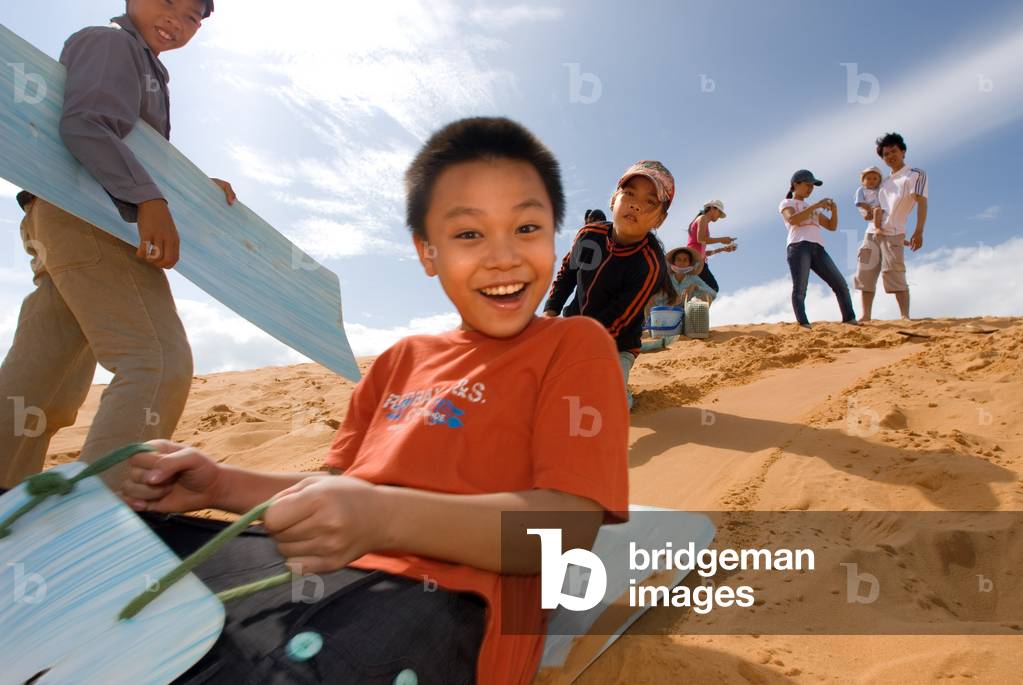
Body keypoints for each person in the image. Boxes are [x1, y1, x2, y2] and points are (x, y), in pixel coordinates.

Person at [117, 118, 629, 685]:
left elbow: (565, 531)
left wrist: (383, 518)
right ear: (427, 253)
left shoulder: (574, 344)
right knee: (105, 570)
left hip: (443, 605)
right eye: (468, 234)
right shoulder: (399, 358)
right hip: (303, 572)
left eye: (527, 227)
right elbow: (336, 497)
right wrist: (218, 486)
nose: (503, 256)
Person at [0, 0, 236, 490]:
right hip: (91, 217)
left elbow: (128, 146)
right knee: (156, 361)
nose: (177, 18)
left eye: (193, 16)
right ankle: (99, 523)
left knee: (43, 381)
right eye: (167, 1)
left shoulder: (145, 67)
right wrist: (148, 199)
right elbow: (86, 124)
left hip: (62, 221)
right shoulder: (111, 43)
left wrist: (192, 188)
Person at [543, 160, 675, 410]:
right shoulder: (589, 235)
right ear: (614, 199)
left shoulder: (649, 266)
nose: (636, 204)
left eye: (650, 202)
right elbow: (567, 274)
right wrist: (551, 312)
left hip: (617, 344)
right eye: (629, 194)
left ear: (660, 219)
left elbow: (618, 319)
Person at [855, 132, 928, 321]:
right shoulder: (883, 182)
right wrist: (866, 213)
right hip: (871, 232)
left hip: (894, 232)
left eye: (893, 151)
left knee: (894, 272)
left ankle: (905, 316)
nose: (890, 156)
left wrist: (918, 231)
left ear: (903, 151)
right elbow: (873, 206)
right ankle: (865, 316)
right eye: (885, 154)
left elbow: (922, 203)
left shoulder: (915, 174)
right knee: (865, 273)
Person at [779, 169, 857, 328]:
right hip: (799, 246)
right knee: (800, 288)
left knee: (840, 284)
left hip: (818, 248)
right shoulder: (787, 203)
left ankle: (850, 319)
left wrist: (834, 211)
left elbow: (831, 226)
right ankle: (804, 324)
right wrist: (816, 206)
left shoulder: (811, 207)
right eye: (808, 185)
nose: (811, 188)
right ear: (796, 185)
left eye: (812, 186)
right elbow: (793, 219)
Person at [640, 246, 717, 351]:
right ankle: (654, 332)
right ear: (673, 262)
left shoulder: (693, 278)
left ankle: (694, 331)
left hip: (688, 318)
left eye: (685, 260)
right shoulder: (667, 279)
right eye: (679, 260)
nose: (682, 262)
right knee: (649, 300)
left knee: (705, 295)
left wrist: (695, 286)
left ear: (690, 263)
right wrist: (670, 299)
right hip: (667, 317)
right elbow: (654, 297)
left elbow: (713, 293)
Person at [686, 199, 736, 293]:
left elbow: (701, 251)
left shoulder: (702, 219)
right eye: (719, 212)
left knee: (707, 289)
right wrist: (722, 239)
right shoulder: (703, 218)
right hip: (695, 262)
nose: (719, 216)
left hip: (694, 260)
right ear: (712, 208)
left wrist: (722, 249)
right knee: (713, 288)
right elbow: (701, 239)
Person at [854, 165, 884, 233]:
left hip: (878, 209)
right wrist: (870, 209)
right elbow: (859, 202)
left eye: (875, 179)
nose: (871, 181)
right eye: (868, 179)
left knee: (887, 216)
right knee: (877, 211)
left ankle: (896, 234)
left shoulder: (879, 190)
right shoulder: (861, 190)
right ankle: (877, 228)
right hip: (867, 209)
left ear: (879, 181)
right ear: (863, 181)